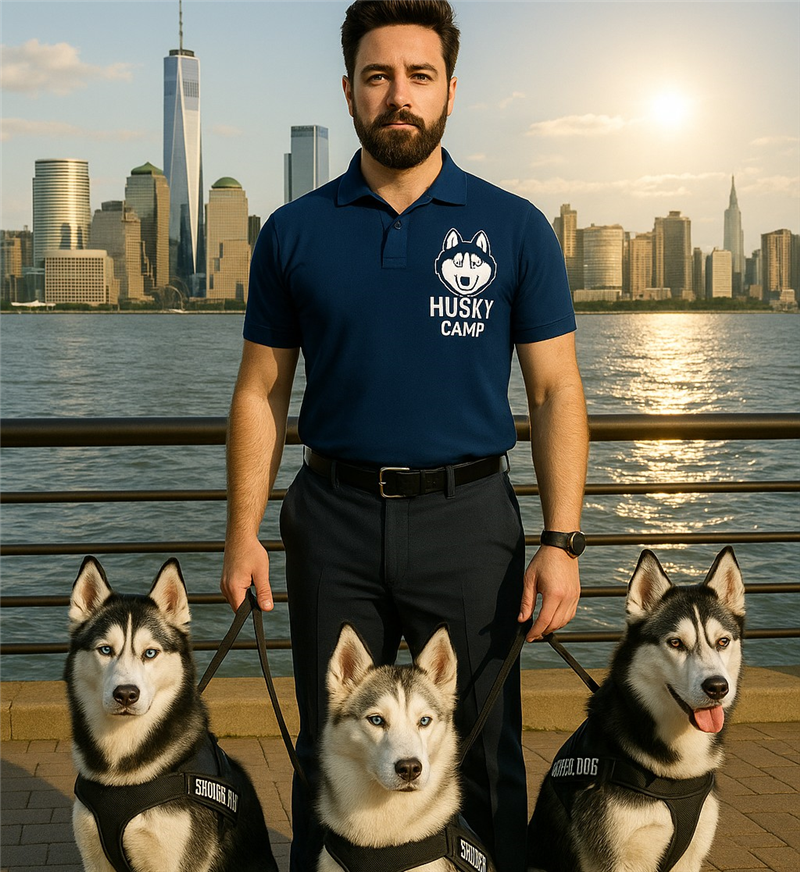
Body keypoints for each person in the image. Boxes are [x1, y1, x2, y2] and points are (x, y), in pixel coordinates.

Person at [221, 1, 589, 870]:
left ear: (451, 92)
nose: (399, 96)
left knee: (482, 746)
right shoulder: (294, 231)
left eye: (419, 76)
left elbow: (556, 388)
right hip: (332, 519)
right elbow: (260, 389)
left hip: (470, 523)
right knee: (331, 743)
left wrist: (563, 540)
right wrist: (243, 531)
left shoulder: (513, 226)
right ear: (349, 90)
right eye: (379, 76)